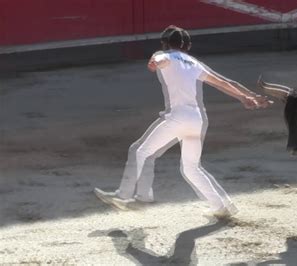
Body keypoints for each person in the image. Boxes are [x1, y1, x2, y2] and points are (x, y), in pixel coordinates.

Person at [94, 25, 271, 218]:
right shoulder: (193, 62)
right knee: (191, 168)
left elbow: (159, 59)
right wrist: (247, 97)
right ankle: (221, 207)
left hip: (178, 117)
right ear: (187, 45)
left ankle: (136, 197)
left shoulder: (165, 56)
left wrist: (155, 61)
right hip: (196, 119)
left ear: (164, 43)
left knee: (142, 152)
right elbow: (225, 83)